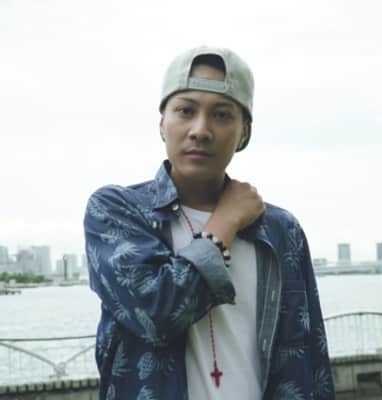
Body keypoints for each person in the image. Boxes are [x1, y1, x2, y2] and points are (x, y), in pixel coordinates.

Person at [84, 46, 335, 400]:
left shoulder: (280, 230)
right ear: (162, 123)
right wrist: (225, 222)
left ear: (244, 132)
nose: (200, 130)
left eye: (221, 115)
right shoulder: (118, 211)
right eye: (185, 111)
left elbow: (311, 359)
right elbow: (157, 315)